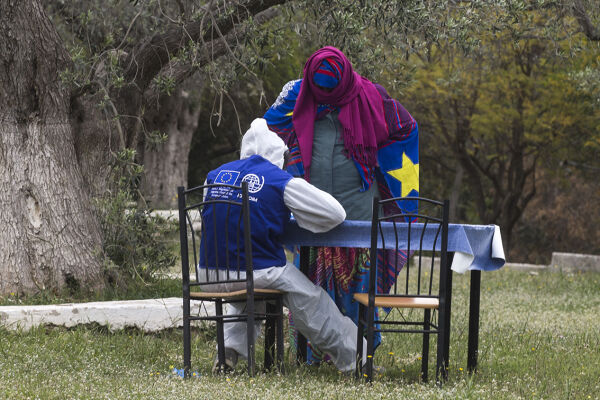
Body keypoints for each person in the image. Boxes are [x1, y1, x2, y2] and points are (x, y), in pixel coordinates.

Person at [263, 46, 419, 363]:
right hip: (312, 212)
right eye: (320, 90)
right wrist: (290, 162)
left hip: (360, 211)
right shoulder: (300, 94)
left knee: (357, 287)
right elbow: (268, 129)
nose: (326, 96)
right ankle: (312, 355)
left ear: (344, 80)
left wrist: (382, 159)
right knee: (309, 286)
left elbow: (407, 127)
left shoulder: (372, 97)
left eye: (331, 90)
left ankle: (362, 352)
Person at [198, 118, 366, 373]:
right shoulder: (276, 179)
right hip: (256, 272)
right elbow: (335, 214)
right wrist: (297, 214)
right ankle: (357, 358)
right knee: (311, 298)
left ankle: (227, 353)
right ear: (278, 153)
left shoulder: (215, 176)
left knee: (248, 298)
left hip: (209, 273)